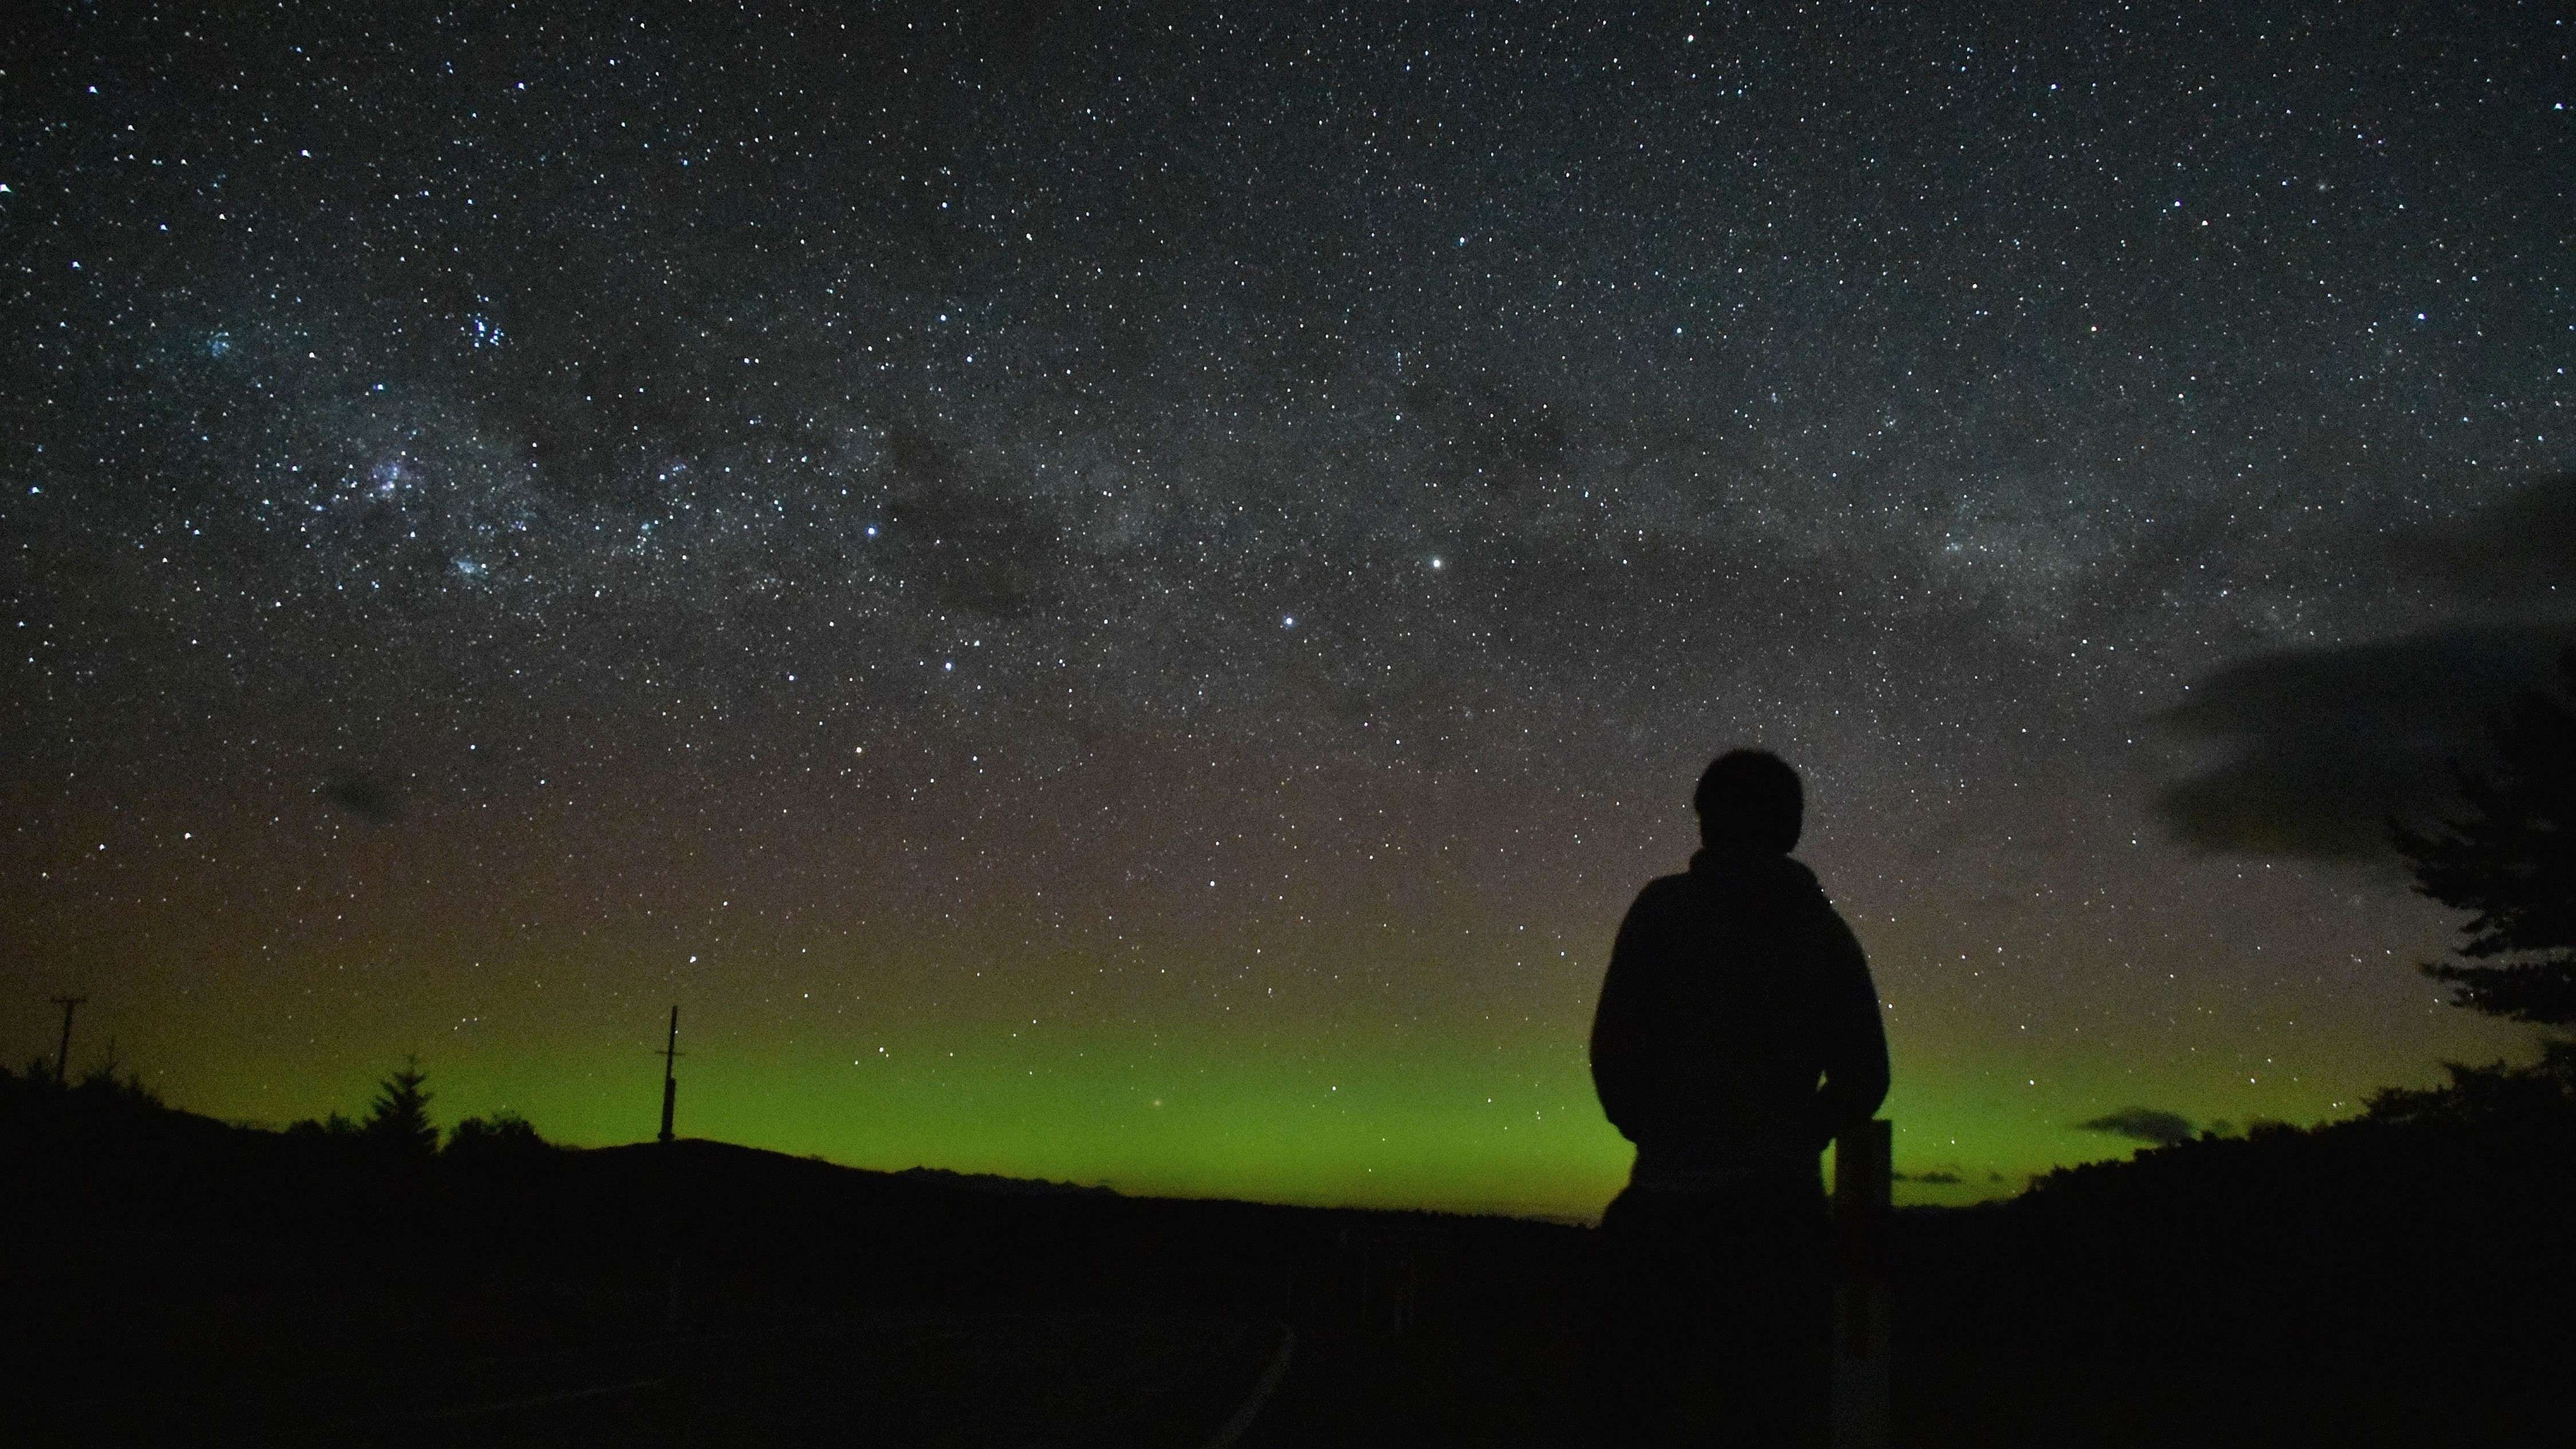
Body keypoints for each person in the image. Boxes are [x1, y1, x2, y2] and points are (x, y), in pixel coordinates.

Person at [1588, 748, 1888, 1447]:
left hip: (1670, 1206)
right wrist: (1790, 1140)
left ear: (1707, 820)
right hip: (1775, 1217)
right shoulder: (1822, 933)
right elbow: (1863, 1075)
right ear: (1791, 826)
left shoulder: (1663, 911)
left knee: (1639, 1411)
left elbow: (1615, 1046)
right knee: (1764, 1413)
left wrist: (1656, 1131)